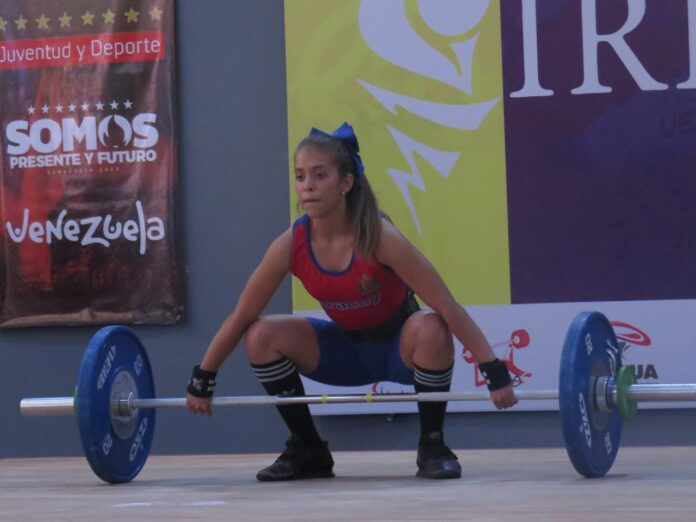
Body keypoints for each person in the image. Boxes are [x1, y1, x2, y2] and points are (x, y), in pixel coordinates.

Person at [186, 122, 517, 481]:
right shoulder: (291, 243)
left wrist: (494, 372)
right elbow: (242, 315)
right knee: (261, 334)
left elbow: (449, 307)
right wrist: (204, 377)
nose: (307, 185)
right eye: (300, 176)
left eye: (319, 175)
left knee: (432, 325)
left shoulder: (380, 237)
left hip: (399, 351)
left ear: (346, 183)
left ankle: (433, 446)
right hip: (344, 353)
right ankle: (307, 448)